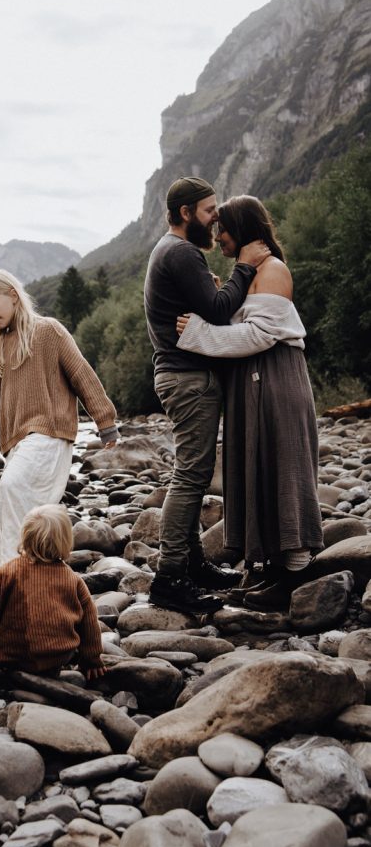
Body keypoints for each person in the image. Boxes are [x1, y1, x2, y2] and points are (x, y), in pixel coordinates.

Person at [176, 195, 324, 610]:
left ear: (241, 228)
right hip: (254, 381)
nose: (216, 235)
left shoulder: (274, 269)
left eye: (222, 227)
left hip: (276, 378)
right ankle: (274, 569)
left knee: (284, 465)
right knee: (259, 468)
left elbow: (258, 336)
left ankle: (296, 573)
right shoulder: (249, 272)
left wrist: (198, 333)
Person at [144, 176, 271, 615]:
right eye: (209, 210)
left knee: (192, 472)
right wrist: (246, 268)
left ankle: (193, 563)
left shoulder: (173, 251)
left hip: (183, 377)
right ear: (186, 213)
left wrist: (214, 287)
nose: (215, 217)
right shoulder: (180, 252)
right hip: (188, 378)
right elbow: (218, 312)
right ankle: (169, 578)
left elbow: (207, 306)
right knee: (191, 475)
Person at [0, 269, 118, 564]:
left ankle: (9, 573)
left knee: (11, 487)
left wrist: (105, 422)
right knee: (29, 517)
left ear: (13, 296)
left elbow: (82, 375)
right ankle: (31, 575)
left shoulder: (48, 331)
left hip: (50, 435)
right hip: (17, 444)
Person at [0, 503, 106, 679]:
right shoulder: (73, 579)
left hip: (8, 657)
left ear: (25, 537)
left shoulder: (7, 572)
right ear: (66, 541)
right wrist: (92, 659)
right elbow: (89, 621)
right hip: (55, 658)